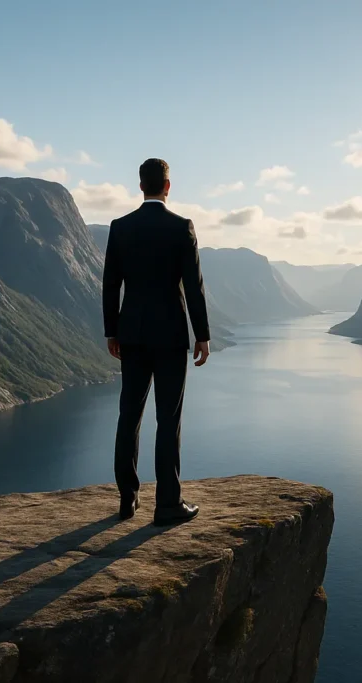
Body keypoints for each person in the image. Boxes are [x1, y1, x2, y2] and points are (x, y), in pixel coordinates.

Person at [102, 158, 211, 524]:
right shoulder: (181, 228)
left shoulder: (120, 227)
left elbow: (110, 285)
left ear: (140, 186)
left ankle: (127, 499)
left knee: (128, 416)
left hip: (131, 334)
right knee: (168, 420)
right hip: (170, 336)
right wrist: (203, 335)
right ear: (167, 186)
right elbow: (193, 287)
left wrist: (112, 332)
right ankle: (167, 505)